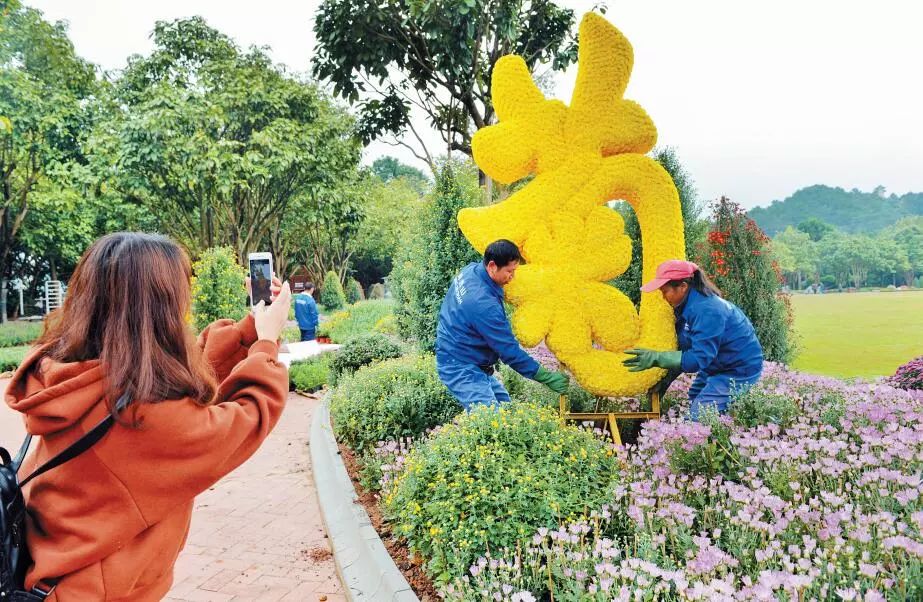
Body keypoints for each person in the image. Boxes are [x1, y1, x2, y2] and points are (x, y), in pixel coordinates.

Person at [6, 232, 291, 600]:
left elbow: (171, 382)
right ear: (157, 313)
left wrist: (247, 332)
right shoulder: (140, 418)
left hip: (55, 576)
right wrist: (266, 343)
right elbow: (248, 416)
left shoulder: (79, 377)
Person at [622, 259, 763, 420]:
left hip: (737, 370)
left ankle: (730, 437)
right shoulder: (687, 306)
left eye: (665, 291)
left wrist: (656, 358)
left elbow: (698, 358)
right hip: (717, 363)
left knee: (698, 418)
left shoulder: (707, 310)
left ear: (683, 286)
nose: (662, 297)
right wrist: (665, 377)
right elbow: (686, 346)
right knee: (694, 396)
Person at [435, 239, 569, 409]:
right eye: (509, 271)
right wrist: (545, 377)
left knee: (506, 409)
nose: (512, 277)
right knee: (489, 421)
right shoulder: (483, 304)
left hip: (465, 355)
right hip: (460, 364)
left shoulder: (471, 271)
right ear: (492, 266)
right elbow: (508, 351)